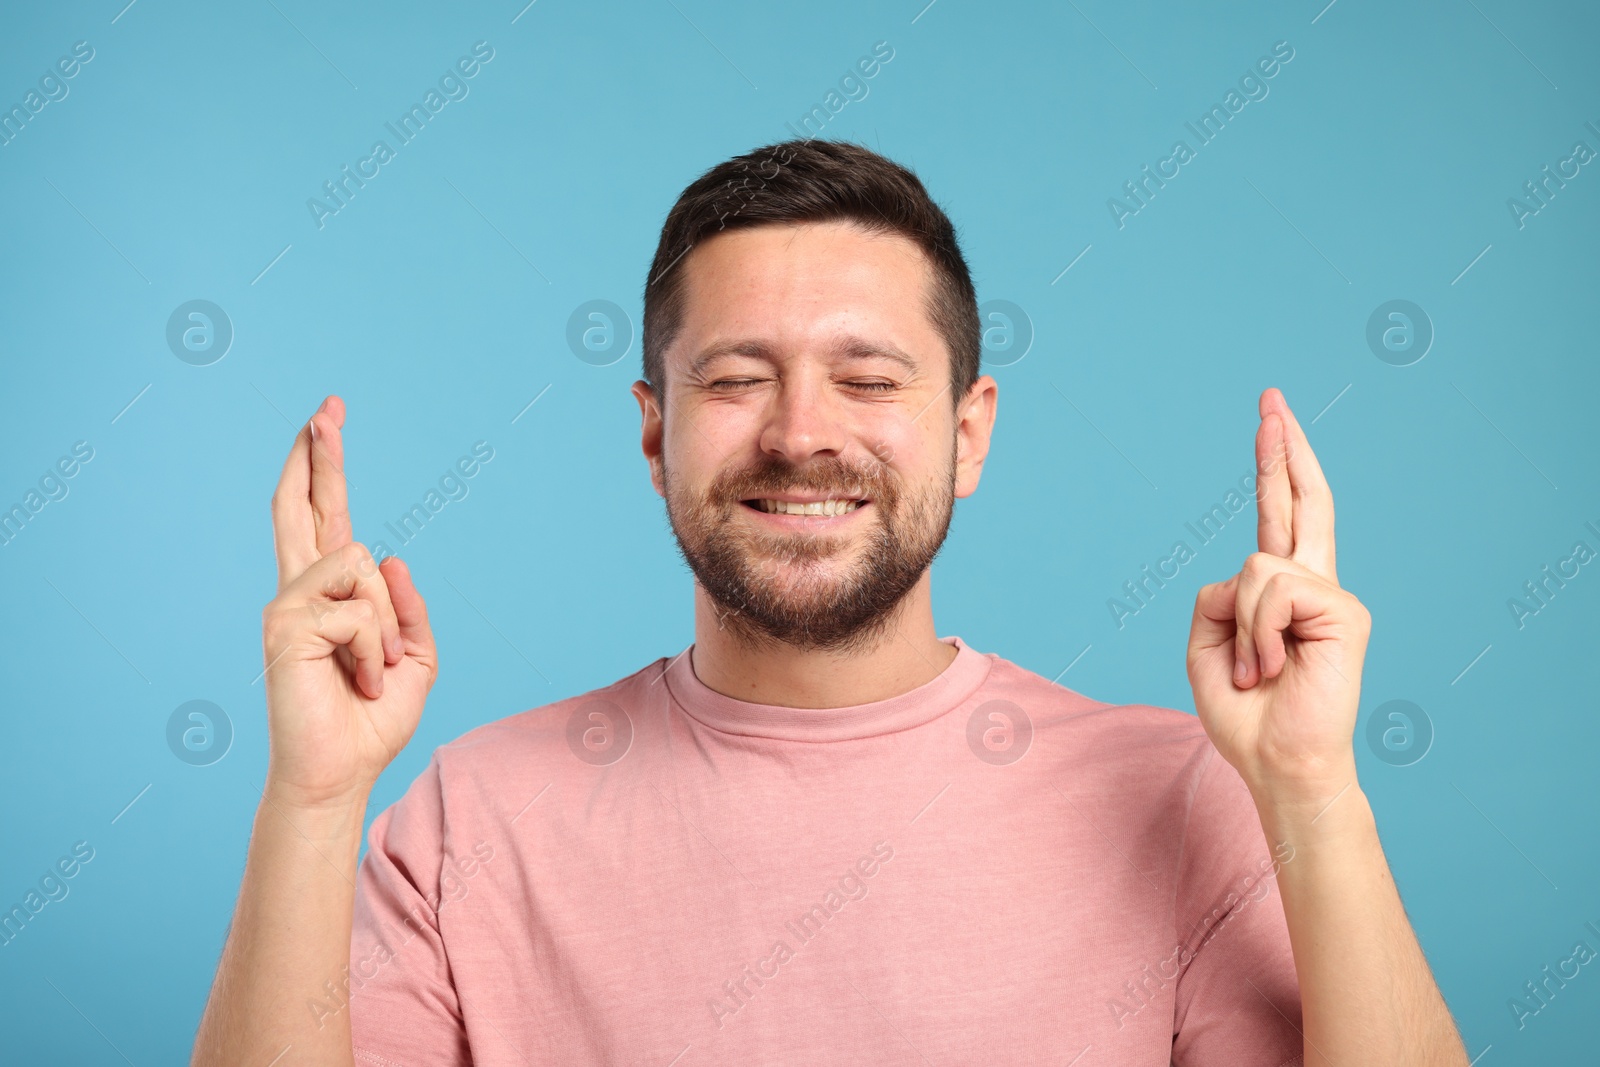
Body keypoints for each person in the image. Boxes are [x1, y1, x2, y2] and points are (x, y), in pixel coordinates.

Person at [192, 139, 1468, 1066]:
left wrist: (1312, 791)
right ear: (655, 435)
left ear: (968, 434)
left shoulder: (1183, 796)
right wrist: (309, 801)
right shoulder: (472, 814)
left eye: (867, 379)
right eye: (740, 377)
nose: (802, 436)